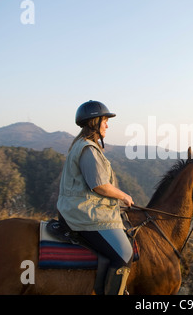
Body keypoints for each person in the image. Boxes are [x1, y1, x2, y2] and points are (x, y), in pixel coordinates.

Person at [57, 100, 134, 295]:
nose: (107, 125)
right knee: (125, 253)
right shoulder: (88, 149)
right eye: (105, 121)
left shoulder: (82, 145)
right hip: (83, 213)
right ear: (94, 122)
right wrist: (124, 196)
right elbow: (99, 185)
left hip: (81, 208)